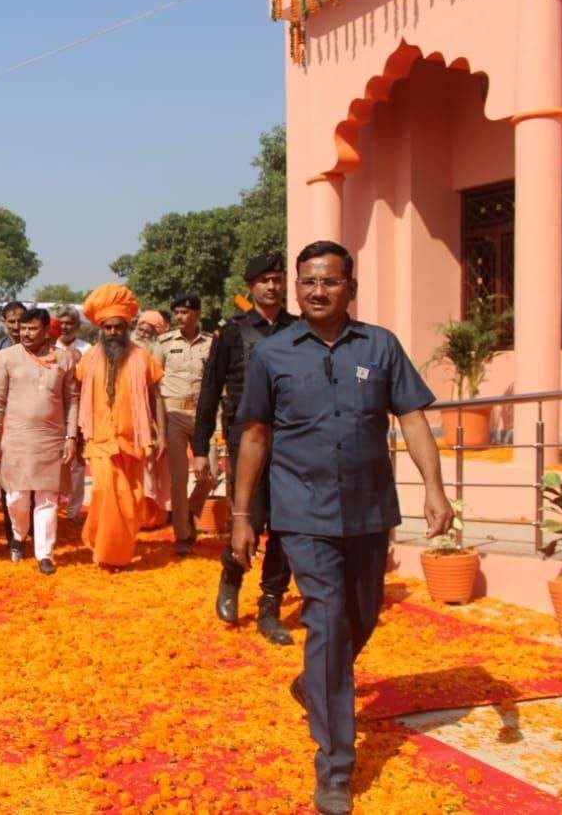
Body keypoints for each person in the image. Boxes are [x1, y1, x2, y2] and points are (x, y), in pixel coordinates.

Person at [233, 241, 451, 815]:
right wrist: (240, 516)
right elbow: (254, 435)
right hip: (302, 514)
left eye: (328, 281)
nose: (316, 291)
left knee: (362, 613)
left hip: (369, 510)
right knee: (326, 621)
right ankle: (334, 764)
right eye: (307, 282)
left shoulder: (380, 346)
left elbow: (411, 417)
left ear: (349, 287)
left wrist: (434, 488)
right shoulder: (273, 355)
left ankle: (315, 686)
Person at [193, 252, 296, 645]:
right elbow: (210, 390)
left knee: (286, 524)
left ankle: (271, 604)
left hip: (290, 439)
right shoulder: (232, 332)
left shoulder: (298, 330)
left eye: (278, 279)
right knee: (249, 516)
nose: (273, 286)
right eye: (265, 279)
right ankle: (231, 575)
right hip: (244, 437)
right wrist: (201, 446)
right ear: (250, 286)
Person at [75, 284, 165, 569]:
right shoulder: (88, 360)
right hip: (100, 440)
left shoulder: (143, 359)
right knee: (107, 493)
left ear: (126, 327)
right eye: (107, 327)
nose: (113, 332)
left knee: (132, 500)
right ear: (100, 329)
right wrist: (75, 436)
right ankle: (108, 554)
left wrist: (160, 433)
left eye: (118, 327)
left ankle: (108, 543)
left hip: (133, 440)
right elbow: (77, 398)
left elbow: (156, 398)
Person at [0, 308, 79, 574]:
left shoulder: (64, 360)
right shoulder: (6, 357)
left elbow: (72, 400)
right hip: (15, 437)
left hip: (51, 439)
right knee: (16, 497)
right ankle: (18, 535)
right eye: (23, 328)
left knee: (47, 497)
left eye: (32, 328)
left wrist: (71, 436)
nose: (25, 333)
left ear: (46, 330)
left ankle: (44, 553)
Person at [153, 294, 214, 554]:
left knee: (208, 474)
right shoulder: (164, 343)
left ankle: (190, 509)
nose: (180, 317)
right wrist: (157, 425)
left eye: (185, 312)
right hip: (174, 413)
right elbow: (154, 382)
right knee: (178, 479)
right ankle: (182, 534)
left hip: (204, 414)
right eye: (176, 312)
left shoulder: (212, 343)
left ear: (197, 314)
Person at [55, 307, 91, 520]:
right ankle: (53, 507)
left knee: (76, 463)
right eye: (61, 323)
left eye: (69, 323)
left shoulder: (87, 349)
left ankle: (73, 511)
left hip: (78, 409)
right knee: (54, 461)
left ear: (77, 326)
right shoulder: (49, 346)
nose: (65, 327)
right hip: (52, 411)